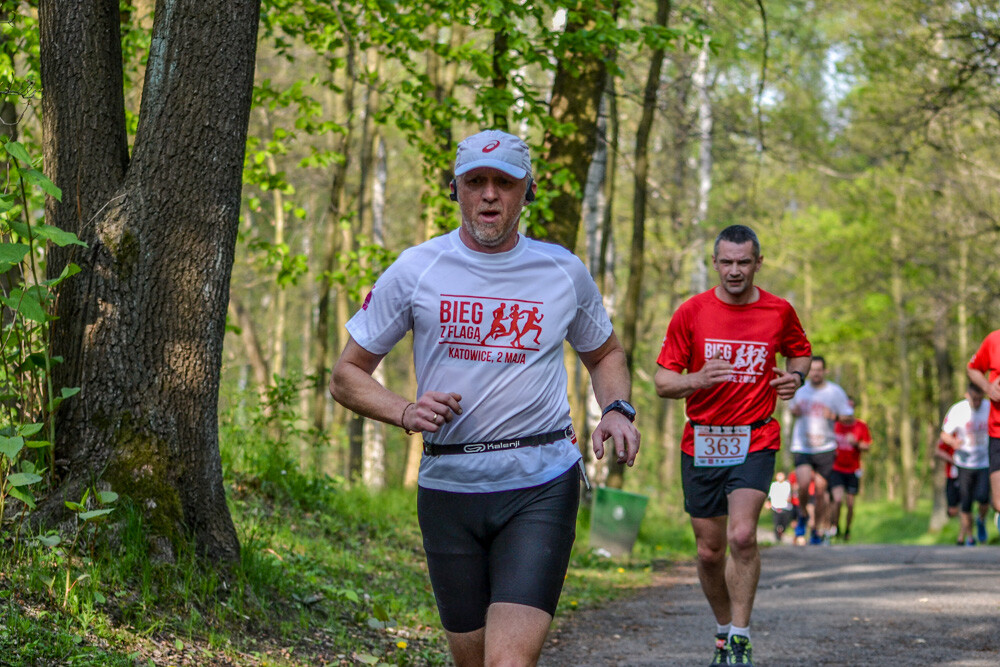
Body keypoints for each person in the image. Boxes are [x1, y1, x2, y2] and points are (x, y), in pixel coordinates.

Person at [328, 129, 640, 667]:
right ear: (456, 189)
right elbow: (346, 374)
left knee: (508, 663)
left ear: (528, 192)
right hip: (449, 489)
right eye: (476, 182)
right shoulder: (416, 268)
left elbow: (606, 354)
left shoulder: (563, 271)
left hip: (539, 484)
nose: (489, 195)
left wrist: (616, 409)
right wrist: (405, 410)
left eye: (504, 182)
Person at [654, 224, 811, 667]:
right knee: (709, 550)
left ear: (758, 263)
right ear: (715, 263)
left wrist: (794, 377)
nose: (735, 271)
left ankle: (740, 638)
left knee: (742, 535)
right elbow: (662, 381)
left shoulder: (779, 312)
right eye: (727, 262)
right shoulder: (692, 312)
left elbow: (800, 353)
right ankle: (724, 629)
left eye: (744, 262)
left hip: (756, 435)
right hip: (702, 439)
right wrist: (696, 380)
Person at [789, 355, 853, 545]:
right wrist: (794, 412)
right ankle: (802, 516)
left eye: (819, 369)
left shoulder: (835, 392)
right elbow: (792, 409)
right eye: (812, 369)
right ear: (808, 371)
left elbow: (849, 418)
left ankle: (816, 529)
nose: (815, 373)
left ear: (825, 371)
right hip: (802, 446)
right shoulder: (800, 390)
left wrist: (833, 415)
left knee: (820, 492)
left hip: (825, 448)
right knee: (802, 484)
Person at [939, 384, 990, 545]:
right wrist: (953, 441)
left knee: (983, 498)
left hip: (984, 462)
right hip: (963, 463)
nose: (976, 403)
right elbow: (944, 434)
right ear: (967, 395)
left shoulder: (990, 408)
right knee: (965, 502)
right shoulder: (958, 410)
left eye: (979, 399)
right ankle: (969, 537)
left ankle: (981, 520)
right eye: (973, 399)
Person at [967, 330, 1000, 535]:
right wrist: (989, 388)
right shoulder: (994, 339)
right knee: (998, 502)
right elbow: (973, 369)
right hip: (998, 431)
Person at [829, 399, 872, 541]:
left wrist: (856, 443)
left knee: (851, 504)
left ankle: (847, 530)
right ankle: (835, 527)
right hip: (836, 468)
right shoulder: (834, 425)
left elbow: (867, 446)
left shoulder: (860, 426)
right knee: (837, 499)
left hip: (853, 469)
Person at [934, 438, 961, 521]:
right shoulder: (950, 436)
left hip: (969, 473)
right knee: (953, 508)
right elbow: (938, 451)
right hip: (952, 476)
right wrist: (954, 461)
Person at [766, 471, 794, 543]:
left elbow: (790, 495)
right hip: (776, 507)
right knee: (776, 523)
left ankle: (782, 532)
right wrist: (768, 503)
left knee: (785, 523)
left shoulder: (787, 484)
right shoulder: (773, 485)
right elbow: (769, 495)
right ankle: (778, 539)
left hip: (786, 507)